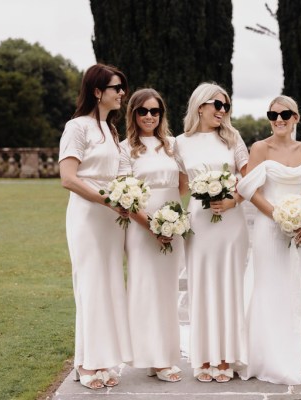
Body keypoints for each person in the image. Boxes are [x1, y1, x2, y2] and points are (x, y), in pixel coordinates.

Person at [237, 95, 301, 385]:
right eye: (273, 114)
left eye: (285, 114)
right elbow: (250, 189)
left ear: (296, 117)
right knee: (268, 287)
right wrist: (279, 215)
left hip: (299, 229)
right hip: (268, 228)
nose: (279, 119)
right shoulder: (260, 148)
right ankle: (267, 357)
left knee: (295, 289)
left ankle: (294, 355)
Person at [58, 64, 132, 390]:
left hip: (112, 220)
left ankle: (103, 361)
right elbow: (68, 178)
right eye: (116, 88)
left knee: (109, 286)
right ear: (97, 91)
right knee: (90, 286)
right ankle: (86, 363)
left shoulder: (113, 132)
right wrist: (107, 199)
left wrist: (128, 198)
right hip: (88, 216)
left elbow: (122, 177)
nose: (122, 94)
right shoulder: (77, 127)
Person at [174, 82, 249, 383]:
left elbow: (249, 177)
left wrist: (233, 199)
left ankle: (226, 357)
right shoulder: (180, 142)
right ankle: (204, 357)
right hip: (199, 222)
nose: (222, 111)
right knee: (201, 286)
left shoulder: (233, 138)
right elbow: (179, 187)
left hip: (231, 221)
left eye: (226, 106)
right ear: (200, 106)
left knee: (229, 286)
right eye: (217, 105)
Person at [118, 88, 183, 382]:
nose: (149, 116)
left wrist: (172, 219)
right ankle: (154, 358)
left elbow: (182, 185)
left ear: (161, 114)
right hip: (141, 226)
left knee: (167, 290)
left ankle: (165, 355)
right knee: (145, 289)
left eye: (155, 111)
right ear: (133, 114)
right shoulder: (125, 149)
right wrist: (153, 224)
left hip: (172, 225)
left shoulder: (172, 144)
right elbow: (123, 195)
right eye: (143, 111)